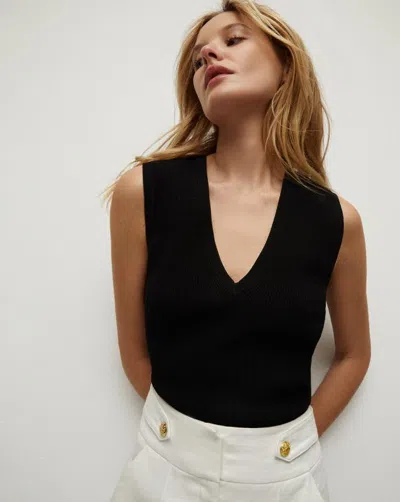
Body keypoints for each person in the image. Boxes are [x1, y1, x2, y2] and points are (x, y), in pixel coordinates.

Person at [102, 1, 371, 500]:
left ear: (285, 65)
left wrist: (286, 448)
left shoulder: (337, 221)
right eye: (198, 59)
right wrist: (187, 440)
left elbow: (354, 355)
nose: (208, 55)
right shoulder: (143, 192)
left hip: (286, 482)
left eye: (232, 39)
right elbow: (134, 351)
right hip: (164, 473)